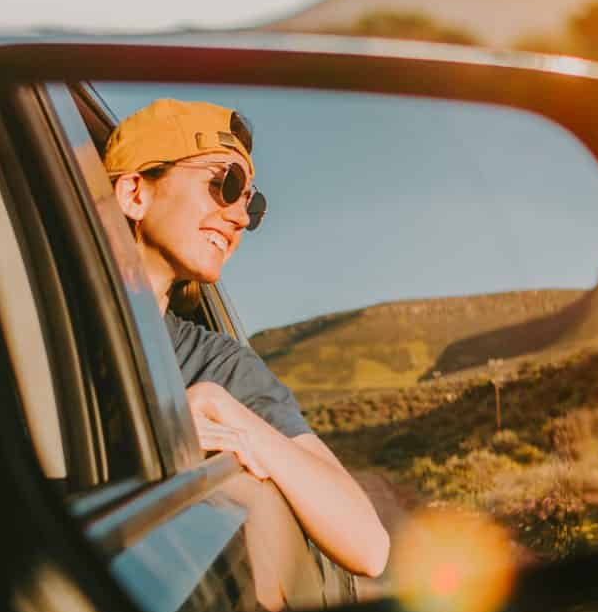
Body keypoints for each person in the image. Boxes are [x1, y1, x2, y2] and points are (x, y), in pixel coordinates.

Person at [105, 98, 389, 585]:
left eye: (250, 204)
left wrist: (229, 415)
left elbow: (369, 547)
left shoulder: (216, 367)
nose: (238, 218)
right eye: (224, 184)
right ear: (135, 192)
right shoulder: (25, 320)